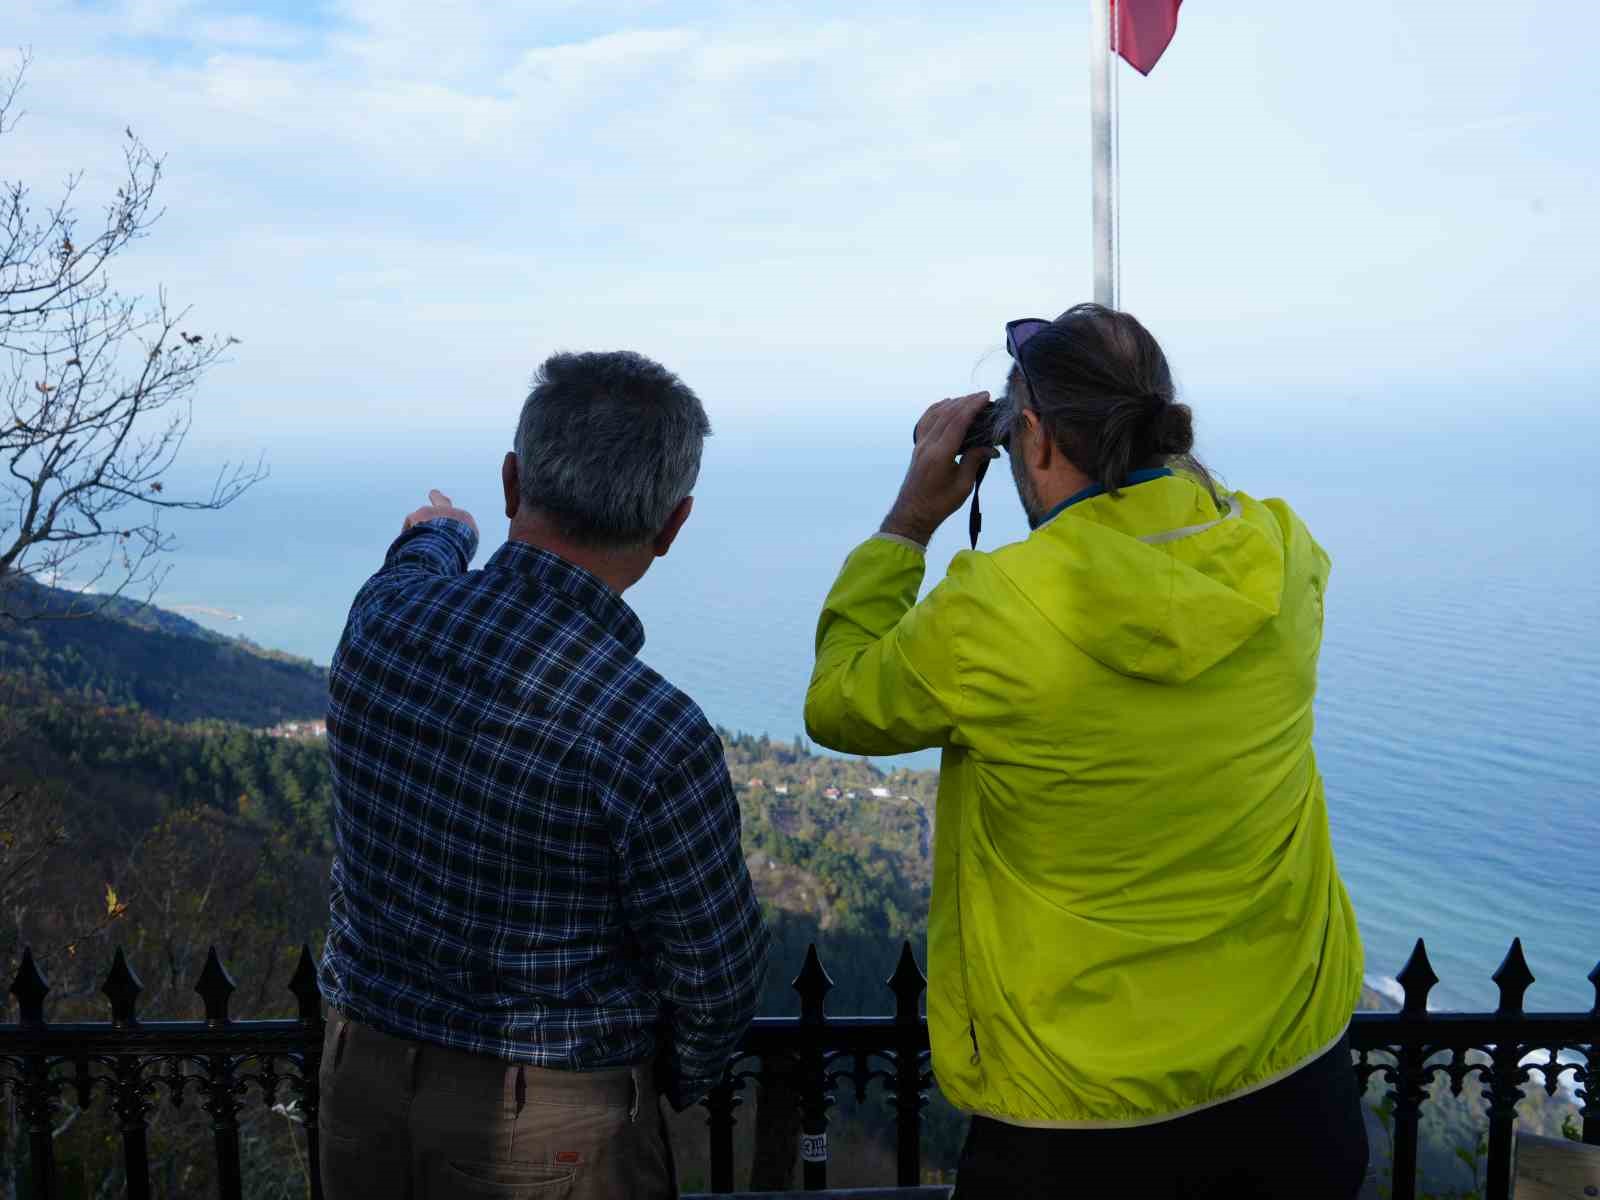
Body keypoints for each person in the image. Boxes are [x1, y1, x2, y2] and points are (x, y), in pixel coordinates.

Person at [805, 305, 1368, 1198]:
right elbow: (1178, 531)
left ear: (1029, 440)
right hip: (1296, 1089)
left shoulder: (994, 611)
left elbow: (839, 704)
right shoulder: (1282, 553)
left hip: (1079, 1120)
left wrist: (909, 520)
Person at [318, 350, 770, 1200]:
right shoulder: (651, 729)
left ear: (512, 481)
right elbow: (716, 973)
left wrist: (441, 531)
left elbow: (416, 562)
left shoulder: (385, 621)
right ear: (672, 525)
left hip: (362, 1077)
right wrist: (649, 1081)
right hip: (554, 1118)